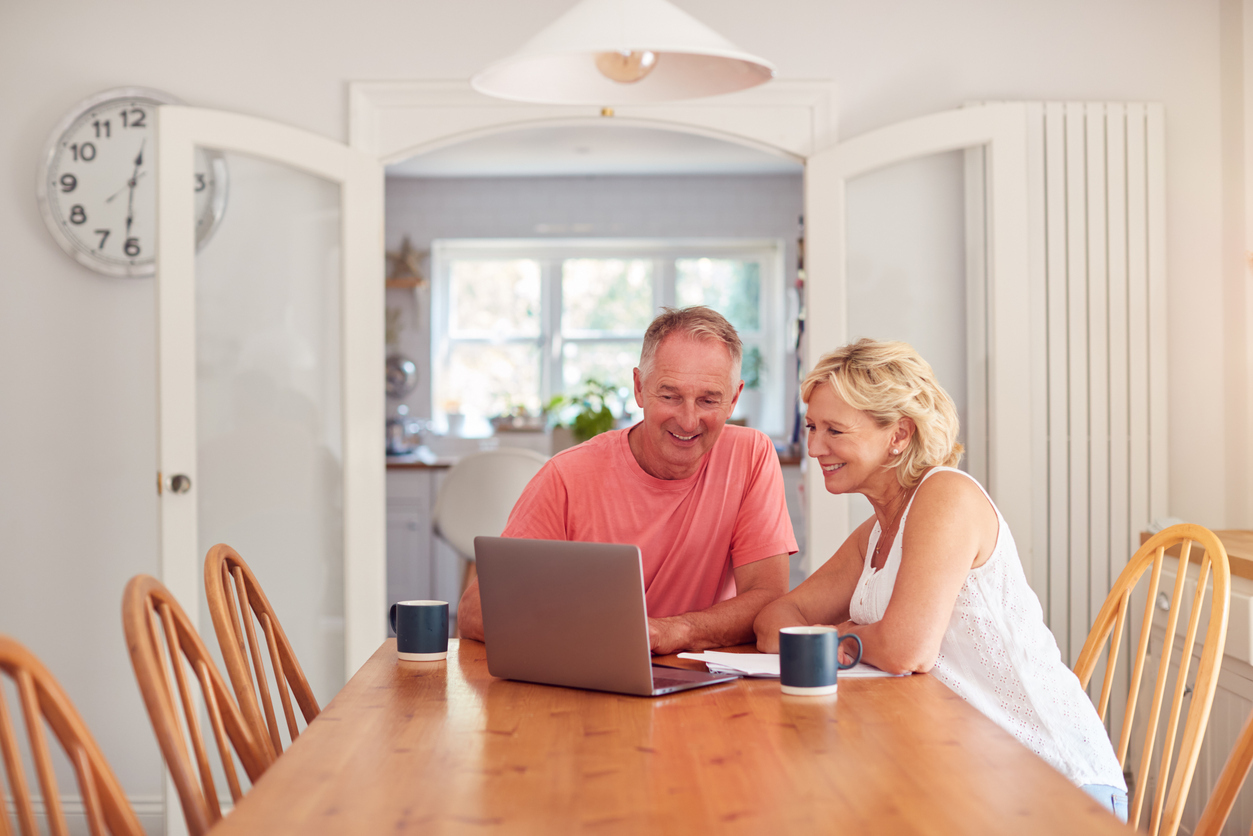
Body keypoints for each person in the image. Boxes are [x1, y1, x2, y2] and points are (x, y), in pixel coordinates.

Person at [753, 338, 1128, 822]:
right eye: (812, 427)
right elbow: (775, 620)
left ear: (899, 434)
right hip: (962, 770)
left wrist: (835, 639)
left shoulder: (945, 496)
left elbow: (905, 648)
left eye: (835, 430)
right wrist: (854, 639)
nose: (816, 447)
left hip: (1054, 781)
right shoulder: (876, 532)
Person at [458, 306, 796, 655]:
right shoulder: (567, 476)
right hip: (591, 673)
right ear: (639, 388)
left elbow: (767, 598)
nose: (688, 419)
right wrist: (606, 634)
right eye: (670, 396)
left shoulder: (751, 455)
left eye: (709, 400)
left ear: (734, 399)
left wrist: (674, 631)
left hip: (701, 675)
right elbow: (475, 612)